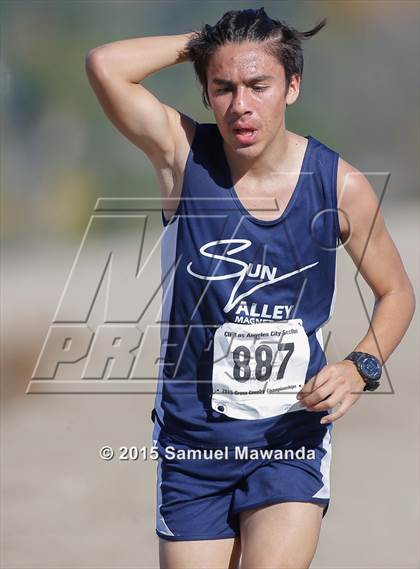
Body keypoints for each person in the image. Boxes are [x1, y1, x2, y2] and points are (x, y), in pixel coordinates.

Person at [85, 8, 416, 569]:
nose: (241, 105)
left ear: (292, 86)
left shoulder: (340, 185)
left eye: (258, 85)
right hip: (192, 444)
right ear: (207, 91)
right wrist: (207, 43)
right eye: (223, 87)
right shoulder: (183, 159)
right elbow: (105, 66)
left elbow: (398, 294)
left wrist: (360, 366)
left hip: (288, 437)